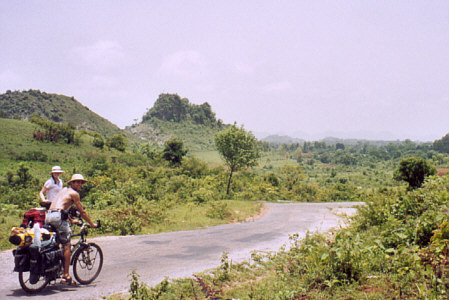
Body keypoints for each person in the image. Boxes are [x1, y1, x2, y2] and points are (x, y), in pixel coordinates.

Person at [45, 174, 97, 284]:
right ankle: (66, 275)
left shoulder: (64, 190)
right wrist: (92, 223)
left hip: (49, 215)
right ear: (71, 183)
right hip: (57, 217)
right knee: (67, 245)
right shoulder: (75, 194)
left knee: (56, 243)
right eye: (77, 182)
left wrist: (71, 220)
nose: (80, 184)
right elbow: (82, 212)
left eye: (81, 182)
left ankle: (53, 268)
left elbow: (61, 208)